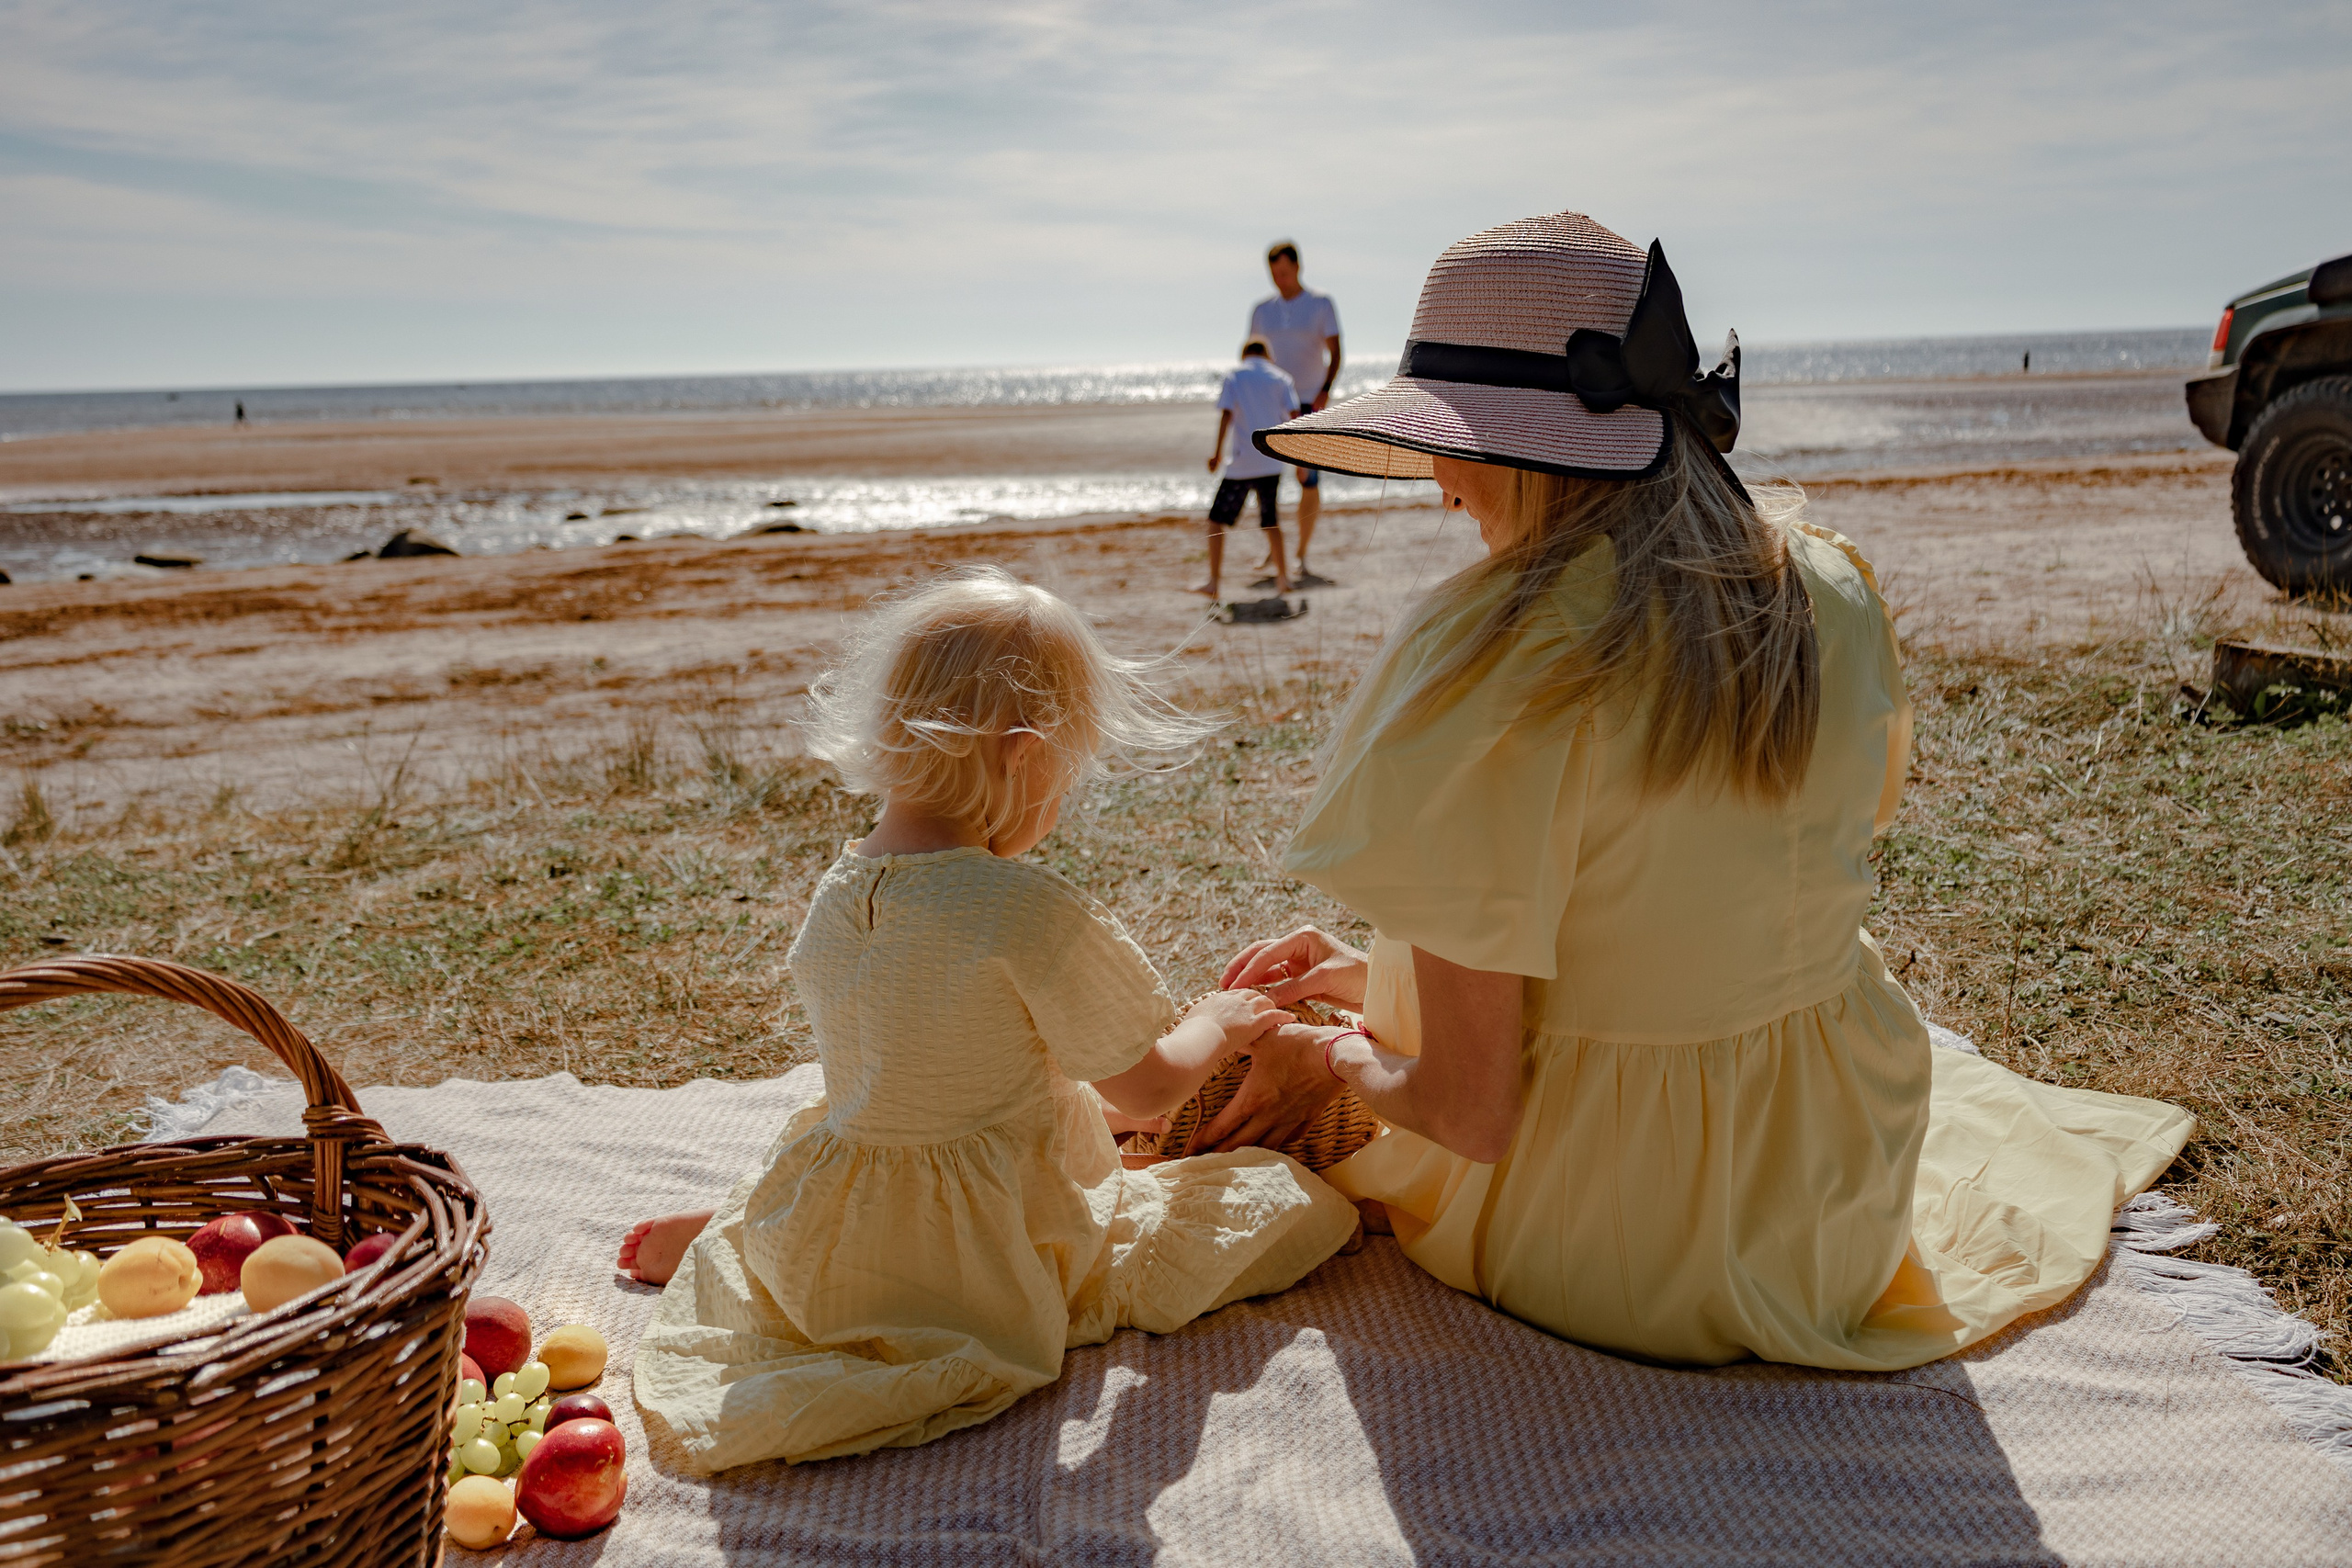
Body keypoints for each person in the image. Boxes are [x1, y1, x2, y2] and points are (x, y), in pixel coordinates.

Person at [1193, 212, 2193, 1371]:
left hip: (1612, 1248)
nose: (1439, 484)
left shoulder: (1497, 661)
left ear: (1512, 451)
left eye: (1446, 443)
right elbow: (1700, 903)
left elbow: (1471, 1113)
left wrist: (1329, 1057)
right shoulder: (1830, 583)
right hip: (1836, 1198)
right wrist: (1381, 976)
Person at [627, 567, 1356, 1471]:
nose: (1060, 799)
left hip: (834, 1233)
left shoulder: (840, 890)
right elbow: (1148, 1086)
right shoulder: (1020, 909)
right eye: (1065, 774)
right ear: (1022, 755)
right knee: (1291, 1203)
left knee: (960, 1150)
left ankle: (743, 1240)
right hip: (979, 1257)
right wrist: (1222, 1020)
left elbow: (945, 1064)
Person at [1249, 242, 1342, 582]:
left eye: (1285, 273)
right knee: (1265, 479)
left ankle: (1301, 552)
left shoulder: (1320, 303)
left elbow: (1336, 352)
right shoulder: (1262, 310)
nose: (1280, 280)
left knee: (1308, 479)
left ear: (1298, 268)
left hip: (1308, 404)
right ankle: (1274, 547)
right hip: (1271, 404)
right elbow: (1252, 357)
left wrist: (1325, 390)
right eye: (1274, 274)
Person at [1196, 337, 1299, 601]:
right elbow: (1294, 417)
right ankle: (1284, 578)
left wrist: (1217, 453)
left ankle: (1213, 582)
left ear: (1244, 354)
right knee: (1271, 521)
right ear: (1268, 354)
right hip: (1271, 460)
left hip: (1242, 463)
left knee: (1216, 520)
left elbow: (1226, 414)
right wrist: (1299, 459)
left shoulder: (1235, 375)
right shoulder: (1281, 377)